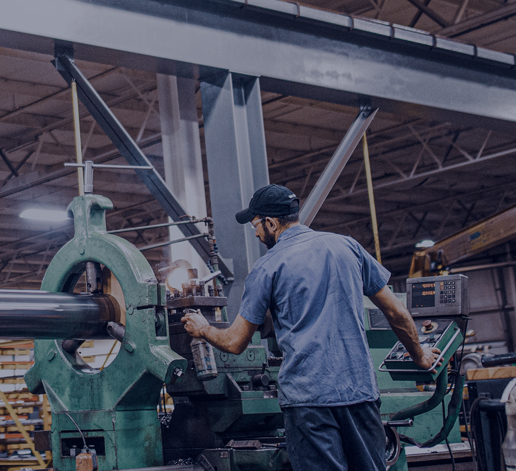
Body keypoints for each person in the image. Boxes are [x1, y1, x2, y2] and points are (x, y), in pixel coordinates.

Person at [182, 184, 437, 471]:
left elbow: (235, 342)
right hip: (360, 394)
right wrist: (420, 356)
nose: (255, 233)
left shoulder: (267, 268)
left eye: (256, 225)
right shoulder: (348, 246)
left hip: (309, 403)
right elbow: (396, 311)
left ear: (271, 223)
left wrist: (202, 328)